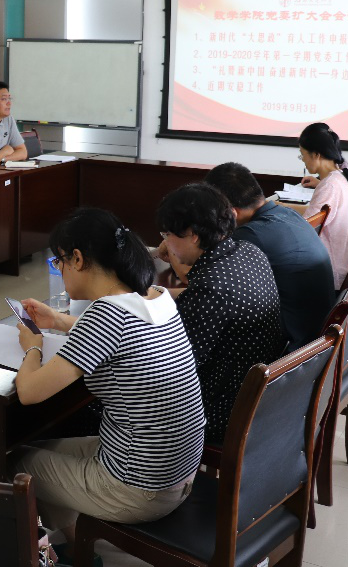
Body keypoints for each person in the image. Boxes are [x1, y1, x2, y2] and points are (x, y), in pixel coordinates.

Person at [10, 209, 204, 565]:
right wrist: (58, 320)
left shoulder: (106, 315)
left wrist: (32, 346)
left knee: (19, 465)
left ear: (78, 259)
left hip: (140, 487)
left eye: (59, 261)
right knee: (40, 448)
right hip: (178, 472)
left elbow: (29, 392)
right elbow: (119, 337)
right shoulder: (157, 296)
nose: (60, 269)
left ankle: (47, 556)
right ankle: (76, 548)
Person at [156, 183, 284, 443]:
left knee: (94, 404)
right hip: (256, 397)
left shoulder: (210, 288)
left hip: (216, 411)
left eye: (167, 234)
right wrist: (156, 294)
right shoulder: (248, 252)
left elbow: (171, 369)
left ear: (192, 235)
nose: (166, 243)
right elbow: (205, 299)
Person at [205, 162, 335, 351]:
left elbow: (204, 276)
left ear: (232, 213)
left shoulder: (251, 234)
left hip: (292, 347)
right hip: (318, 337)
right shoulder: (287, 213)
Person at [298, 123, 348, 289]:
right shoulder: (344, 176)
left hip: (336, 274)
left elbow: (305, 229)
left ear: (316, 154)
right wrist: (282, 206)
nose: (303, 161)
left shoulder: (329, 185)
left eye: (303, 155)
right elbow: (320, 213)